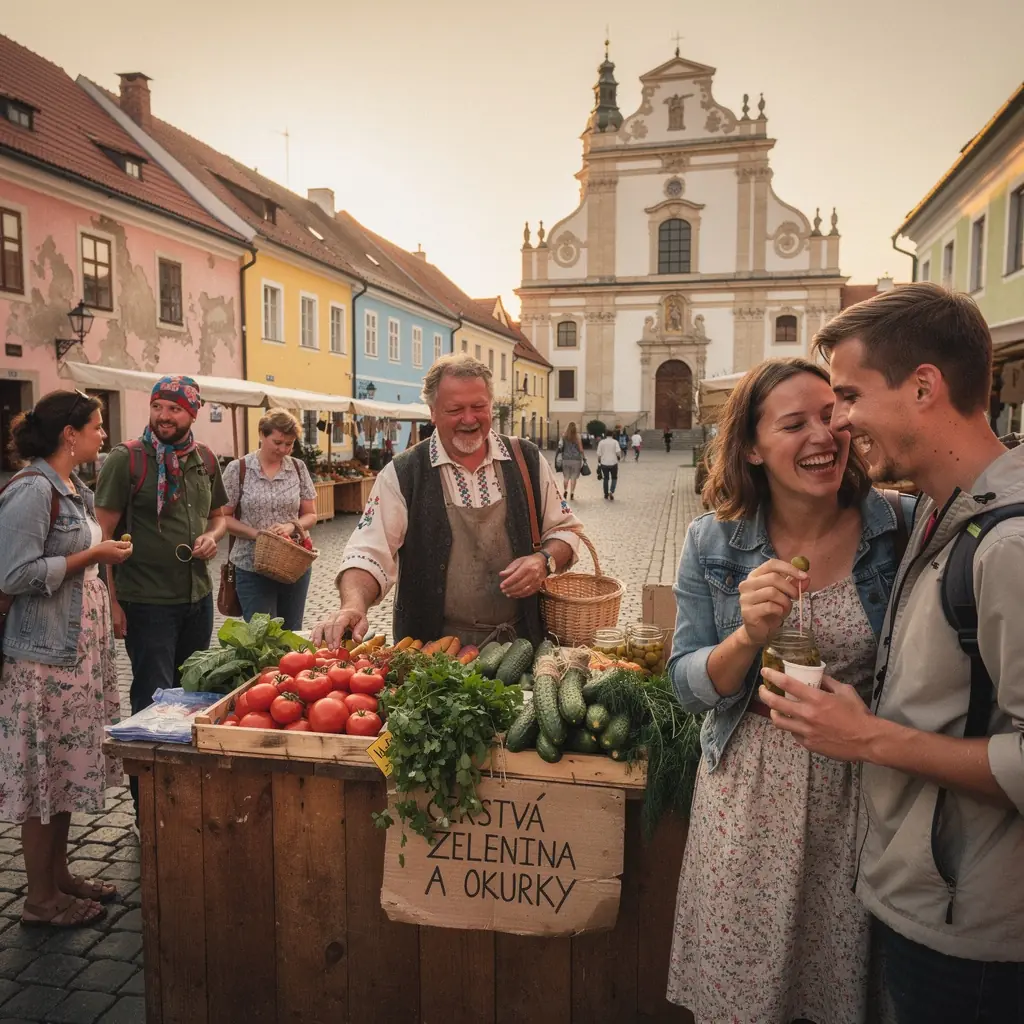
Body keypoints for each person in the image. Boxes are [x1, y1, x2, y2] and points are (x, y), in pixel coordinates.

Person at [760, 284, 1024, 1023]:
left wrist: (868, 737)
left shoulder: (1007, 545)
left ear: (923, 386)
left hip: (973, 933)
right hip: (922, 897)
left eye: (848, 395)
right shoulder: (938, 514)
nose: (839, 422)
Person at [665, 357, 910, 1024]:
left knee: (844, 990)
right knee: (744, 991)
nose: (822, 436)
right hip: (749, 799)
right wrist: (746, 637)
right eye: (794, 423)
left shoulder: (899, 526)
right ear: (751, 446)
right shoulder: (714, 540)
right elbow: (687, 684)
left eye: (831, 416)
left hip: (861, 796)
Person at [313, 353, 581, 649]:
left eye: (479, 407)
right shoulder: (402, 474)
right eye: (455, 409)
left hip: (519, 648)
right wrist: (353, 605)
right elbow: (368, 551)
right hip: (429, 653)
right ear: (433, 412)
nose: (469, 419)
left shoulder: (526, 459)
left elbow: (566, 531)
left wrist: (544, 560)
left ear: (491, 405)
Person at [0, 390, 133, 927]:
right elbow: (14, 574)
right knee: (41, 779)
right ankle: (40, 899)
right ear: (69, 435)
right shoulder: (31, 490)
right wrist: (93, 555)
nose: (104, 434)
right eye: (97, 426)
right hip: (41, 665)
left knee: (62, 772)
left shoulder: (72, 485)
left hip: (73, 658)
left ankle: (60, 874)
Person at [94, 375, 228, 812]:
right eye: (158, 407)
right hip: (147, 601)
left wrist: (212, 536)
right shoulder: (127, 459)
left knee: (192, 697)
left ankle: (183, 794)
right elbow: (103, 537)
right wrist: (112, 602)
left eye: (174, 409)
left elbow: (220, 517)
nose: (164, 417)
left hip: (197, 597)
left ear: (192, 413)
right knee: (153, 700)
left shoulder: (205, 459)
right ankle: (147, 809)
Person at [221, 408, 317, 631]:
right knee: (262, 636)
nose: (283, 449)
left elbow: (311, 515)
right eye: (278, 442)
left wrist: (291, 526)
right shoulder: (239, 469)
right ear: (262, 435)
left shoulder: (297, 468)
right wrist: (258, 535)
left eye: (289, 444)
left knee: (292, 633)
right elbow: (223, 517)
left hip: (293, 564)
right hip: (250, 564)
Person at [559, 422, 584, 501]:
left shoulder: (564, 436)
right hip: (576, 459)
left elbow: (560, 447)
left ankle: (565, 490)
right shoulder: (577, 437)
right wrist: (584, 457)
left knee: (566, 477)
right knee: (573, 477)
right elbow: (581, 449)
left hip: (566, 459)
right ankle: (572, 493)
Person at [596, 430, 622, 501]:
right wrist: (619, 457)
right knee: (614, 478)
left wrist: (599, 461)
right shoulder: (615, 442)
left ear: (605, 435)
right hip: (613, 462)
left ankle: (606, 493)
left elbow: (599, 453)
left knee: (606, 478)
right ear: (612, 435)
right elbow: (618, 452)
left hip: (604, 463)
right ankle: (611, 491)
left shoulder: (601, 442)